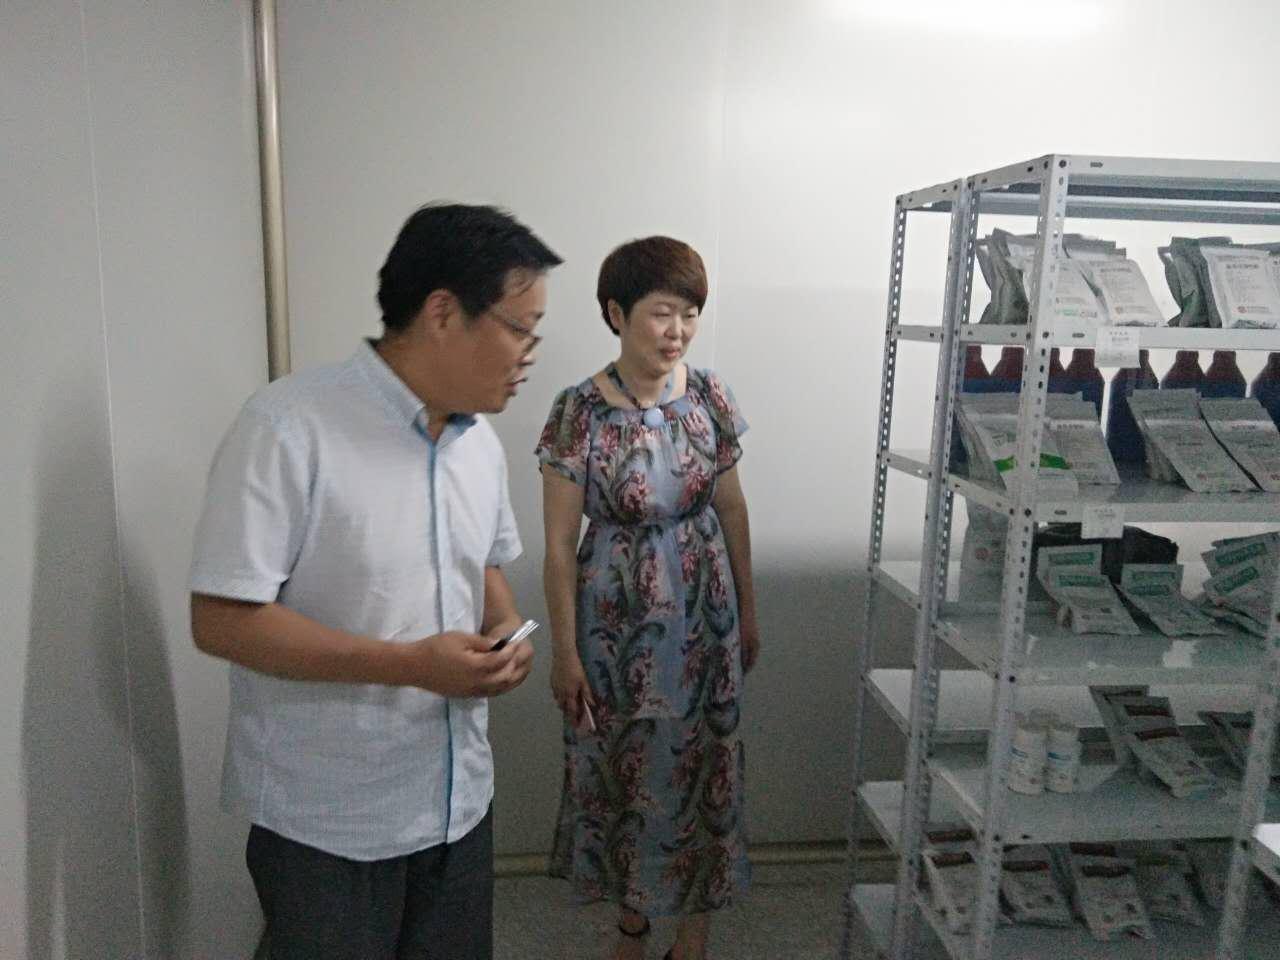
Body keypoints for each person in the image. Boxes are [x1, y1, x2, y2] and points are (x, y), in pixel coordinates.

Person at [188, 203, 560, 960]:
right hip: (329, 820)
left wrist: (503, 629)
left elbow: (483, 563)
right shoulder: (289, 427)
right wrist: (411, 665)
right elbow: (223, 619)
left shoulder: (478, 443)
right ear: (442, 313)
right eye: (520, 329)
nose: (529, 354)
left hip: (458, 803)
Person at [537, 236, 759, 960]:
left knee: (706, 766)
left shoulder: (710, 396)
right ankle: (631, 928)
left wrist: (748, 612)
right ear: (616, 313)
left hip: (705, 615)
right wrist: (564, 653)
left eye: (690, 314)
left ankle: (693, 938)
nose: (678, 331)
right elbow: (557, 546)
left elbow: (732, 509)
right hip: (614, 624)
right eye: (663, 312)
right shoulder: (578, 411)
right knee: (622, 769)